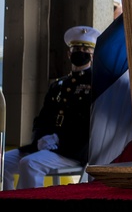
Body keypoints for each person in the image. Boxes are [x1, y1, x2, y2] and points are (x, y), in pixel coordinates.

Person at [3, 26, 101, 189]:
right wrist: (41, 139)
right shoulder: (59, 85)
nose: (81, 52)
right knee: (4, 162)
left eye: (85, 49)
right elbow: (41, 119)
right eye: (76, 48)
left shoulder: (95, 84)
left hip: (73, 150)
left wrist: (59, 140)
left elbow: (89, 123)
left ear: (93, 55)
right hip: (47, 147)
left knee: (30, 164)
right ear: (69, 53)